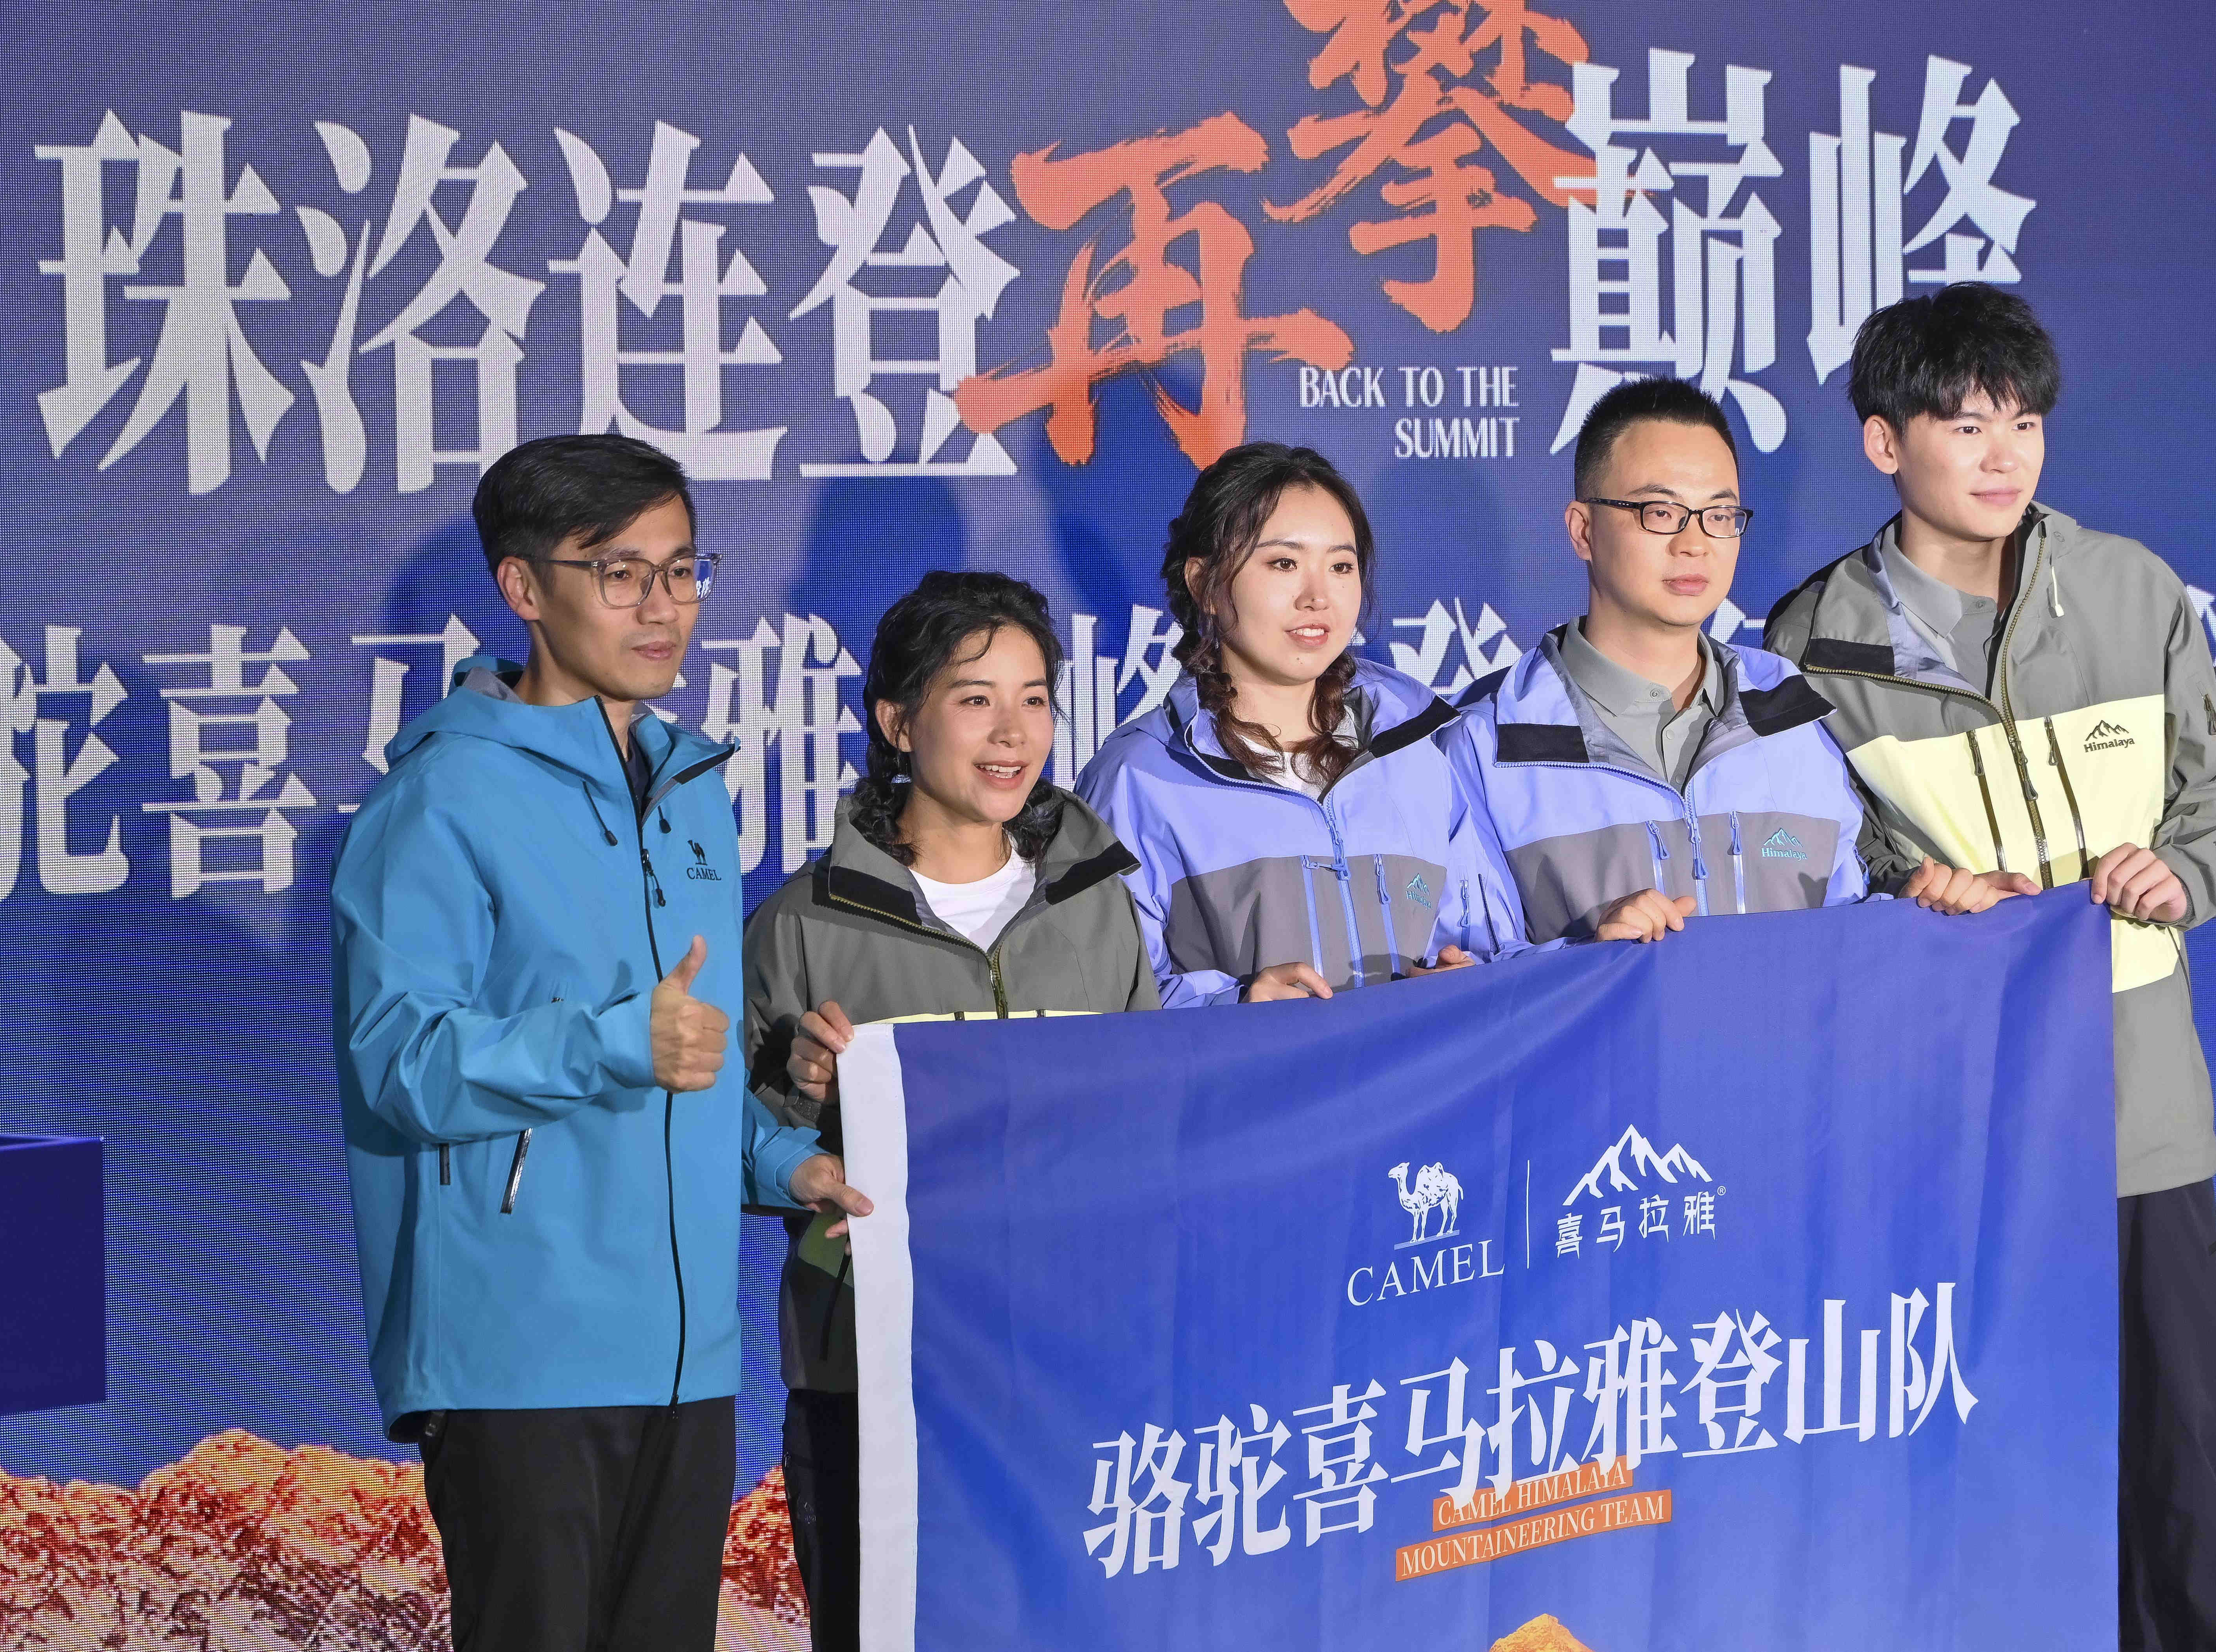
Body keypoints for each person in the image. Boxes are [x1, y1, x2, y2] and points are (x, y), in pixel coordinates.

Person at [1761, 284, 2216, 1652]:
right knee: (1983, 1468)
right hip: (1949, 1130)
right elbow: (1805, 867)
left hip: (2138, 1115)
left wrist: (2184, 870)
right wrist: (1901, 891)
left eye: (2024, 422)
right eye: (1963, 423)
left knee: (2180, 1453)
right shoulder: (1808, 646)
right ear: (1883, 443)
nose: (2002, 455)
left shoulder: (2128, 590)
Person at [331, 433, 870, 1652]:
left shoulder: (689, 792)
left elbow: (690, 1062)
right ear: (523, 587)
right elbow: (398, 1060)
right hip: (520, 1353)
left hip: (685, 1357)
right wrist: (612, 1041)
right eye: (618, 572)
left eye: (681, 570)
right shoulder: (440, 798)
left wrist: (784, 1162)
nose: (660, 606)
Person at [745, 570, 1158, 1650]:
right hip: (875, 1371)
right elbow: (731, 1143)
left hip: (1073, 1357)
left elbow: (1148, 1115)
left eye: (1034, 698)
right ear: (897, 722)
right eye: (975, 699)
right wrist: (800, 1088)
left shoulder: (1096, 902)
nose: (1012, 731)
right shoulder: (803, 923)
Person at [1444, 377, 1896, 945]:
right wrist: (1588, 956)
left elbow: (1848, 940)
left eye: (1720, 515)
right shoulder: (1486, 745)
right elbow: (1466, 976)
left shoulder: (1793, 717)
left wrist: (1930, 908)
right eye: (1661, 512)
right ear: (1583, 531)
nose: (1695, 543)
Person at [1076, 441, 1508, 1005]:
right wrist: (1237, 1006)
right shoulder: (1136, 778)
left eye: (1341, 566)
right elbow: (1105, 1000)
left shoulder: (1419, 754)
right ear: (1204, 583)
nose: (1318, 597)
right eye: (1283, 563)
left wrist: (1467, 977)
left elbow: (1490, 947)